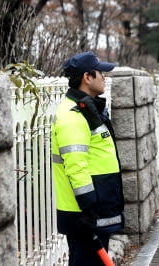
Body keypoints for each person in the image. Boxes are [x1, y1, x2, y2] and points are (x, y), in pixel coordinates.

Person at [52, 51, 125, 265]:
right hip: (84, 215)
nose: (104, 77)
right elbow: (76, 167)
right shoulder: (72, 117)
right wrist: (90, 210)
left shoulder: (86, 110)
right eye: (101, 73)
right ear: (87, 77)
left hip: (93, 211)